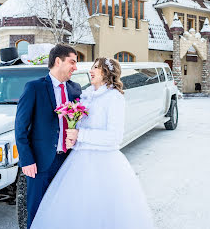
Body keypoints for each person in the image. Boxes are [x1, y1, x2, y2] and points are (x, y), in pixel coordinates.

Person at [30, 58, 155, 229]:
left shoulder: (114, 97)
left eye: (96, 67)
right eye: (92, 67)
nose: (91, 70)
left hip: (103, 164)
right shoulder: (86, 95)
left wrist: (80, 135)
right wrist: (72, 136)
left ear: (107, 73)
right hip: (78, 160)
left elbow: (114, 137)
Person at [14, 44, 82, 229]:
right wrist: (26, 160)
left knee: (63, 210)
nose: (75, 67)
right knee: (36, 212)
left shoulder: (75, 89)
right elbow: (20, 128)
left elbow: (81, 121)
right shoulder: (34, 87)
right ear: (58, 61)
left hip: (67, 161)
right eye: (72, 62)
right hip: (40, 163)